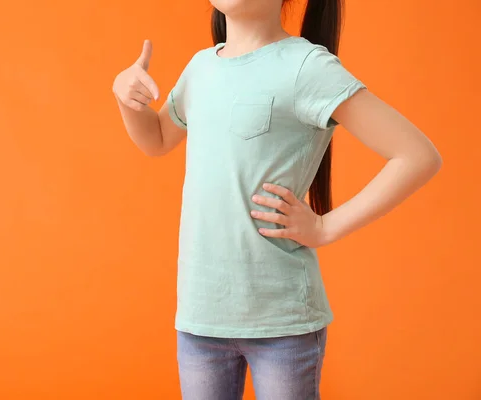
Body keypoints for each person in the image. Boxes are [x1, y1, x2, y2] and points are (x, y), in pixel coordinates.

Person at [112, 0, 442, 398]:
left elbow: (417, 156)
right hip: (200, 317)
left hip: (283, 323)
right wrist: (127, 102)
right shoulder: (200, 67)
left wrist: (325, 226)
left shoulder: (306, 67)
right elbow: (158, 139)